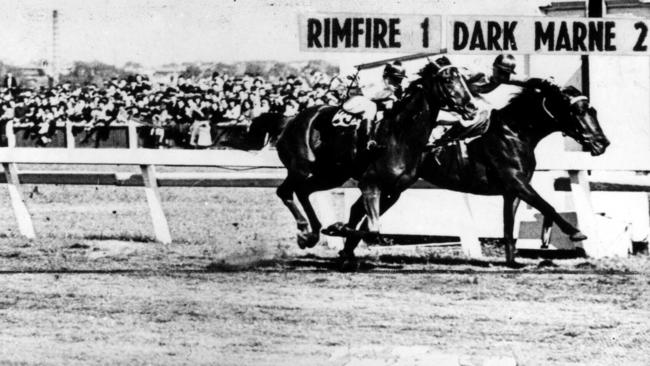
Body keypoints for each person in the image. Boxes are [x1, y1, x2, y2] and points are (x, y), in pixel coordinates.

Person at [435, 54, 525, 144]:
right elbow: (452, 77)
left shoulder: (503, 78)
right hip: (454, 97)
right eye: (501, 72)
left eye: (506, 74)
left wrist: (537, 83)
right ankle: (444, 137)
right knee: (474, 113)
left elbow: (523, 81)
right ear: (494, 67)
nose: (503, 77)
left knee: (486, 110)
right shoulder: (478, 72)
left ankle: (458, 137)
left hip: (469, 98)